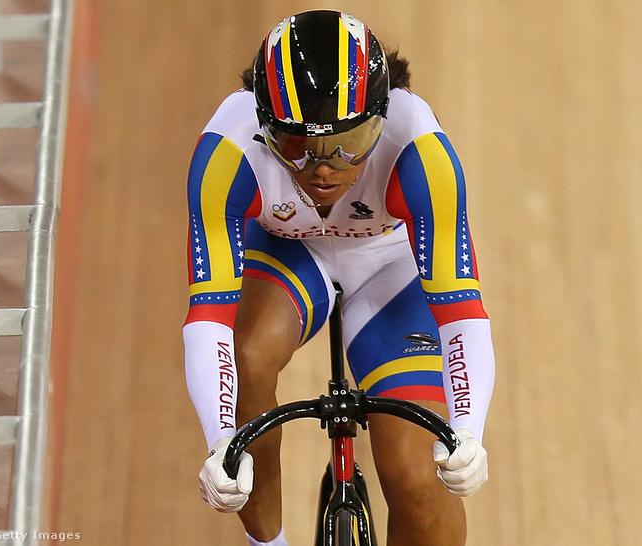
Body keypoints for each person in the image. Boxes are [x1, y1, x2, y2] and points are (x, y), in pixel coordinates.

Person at [183, 10, 495, 546]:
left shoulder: (419, 148)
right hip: (289, 252)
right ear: (262, 124)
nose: (324, 168)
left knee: (419, 478)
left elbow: (462, 311)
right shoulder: (226, 153)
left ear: (383, 114)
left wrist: (468, 430)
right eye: (297, 146)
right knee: (248, 355)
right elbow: (208, 317)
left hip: (391, 266)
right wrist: (220, 442)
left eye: (349, 142)